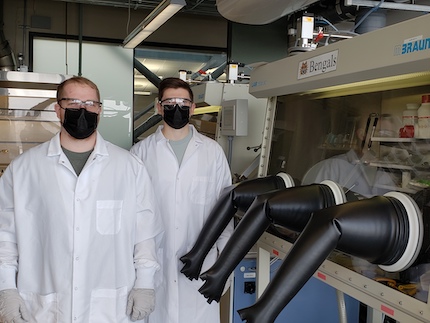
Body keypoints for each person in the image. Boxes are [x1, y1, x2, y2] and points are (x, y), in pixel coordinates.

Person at [0, 76, 164, 323]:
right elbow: (5, 235)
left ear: (100, 111)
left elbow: (145, 234)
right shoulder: (24, 169)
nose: (83, 110)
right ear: (58, 110)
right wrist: (6, 288)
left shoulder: (129, 168)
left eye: (90, 104)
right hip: (45, 306)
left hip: (110, 307)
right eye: (74, 103)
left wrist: (145, 283)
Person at [130, 77, 233, 323]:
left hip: (202, 263)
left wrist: (225, 264)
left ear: (193, 107)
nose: (177, 107)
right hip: (155, 264)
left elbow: (225, 210)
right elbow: (132, 216)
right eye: (170, 102)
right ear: (158, 106)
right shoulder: (139, 154)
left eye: (183, 102)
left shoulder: (212, 153)